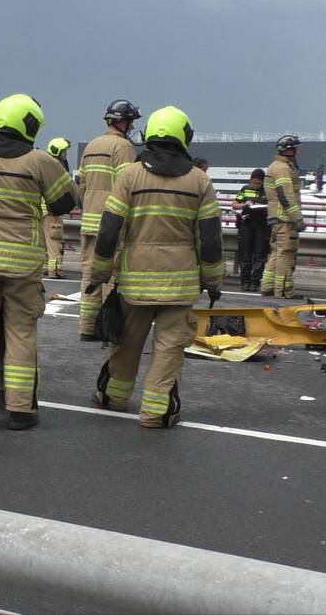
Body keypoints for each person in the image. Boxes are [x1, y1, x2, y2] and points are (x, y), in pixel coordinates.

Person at [88, 106, 222, 428]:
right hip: (181, 286)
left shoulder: (130, 175)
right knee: (169, 350)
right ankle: (157, 412)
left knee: (127, 345)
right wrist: (213, 282)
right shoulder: (199, 181)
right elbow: (211, 239)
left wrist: (100, 273)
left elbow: (109, 230)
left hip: (135, 285)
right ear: (183, 137)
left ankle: (114, 397)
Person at [0, 94, 77, 431]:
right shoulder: (39, 161)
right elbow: (65, 203)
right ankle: (20, 411)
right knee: (21, 332)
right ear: (30, 125)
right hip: (22, 264)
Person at [78, 99, 140, 340]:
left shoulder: (91, 145)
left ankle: (87, 327)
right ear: (122, 121)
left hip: (89, 220)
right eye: (131, 120)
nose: (132, 125)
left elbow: (82, 186)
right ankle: (108, 329)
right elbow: (127, 187)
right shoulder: (123, 148)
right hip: (111, 223)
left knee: (89, 276)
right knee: (111, 277)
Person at [260, 134, 304, 298]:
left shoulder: (277, 166)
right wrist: (297, 218)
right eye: (295, 149)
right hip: (285, 218)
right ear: (288, 151)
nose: (298, 152)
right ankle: (284, 291)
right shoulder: (282, 168)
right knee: (286, 253)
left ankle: (268, 286)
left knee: (277, 253)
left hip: (277, 218)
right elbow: (286, 195)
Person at [232, 168, 270, 291]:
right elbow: (234, 204)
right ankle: (245, 281)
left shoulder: (267, 191)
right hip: (246, 225)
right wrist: (244, 205)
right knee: (245, 254)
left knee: (260, 255)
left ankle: (255, 281)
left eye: (258, 183)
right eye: (253, 183)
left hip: (262, 226)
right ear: (250, 180)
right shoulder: (245, 189)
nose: (255, 186)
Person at [42, 137, 71, 279]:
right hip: (53, 210)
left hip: (43, 210)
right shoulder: (56, 169)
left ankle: (45, 268)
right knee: (54, 241)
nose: (66, 155)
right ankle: (55, 270)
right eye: (64, 152)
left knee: (44, 241)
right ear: (58, 152)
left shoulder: (44, 165)